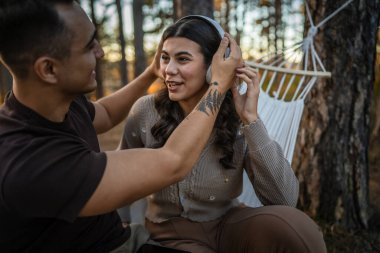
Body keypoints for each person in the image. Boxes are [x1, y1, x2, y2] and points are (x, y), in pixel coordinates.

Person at [0, 1, 243, 252]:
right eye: (88, 46)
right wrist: (217, 86)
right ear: (48, 69)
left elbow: (104, 113)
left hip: (116, 237)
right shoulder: (30, 164)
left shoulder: (52, 104)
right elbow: (174, 161)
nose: (101, 52)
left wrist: (151, 72)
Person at [119, 16, 327, 253]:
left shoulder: (238, 115)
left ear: (213, 67)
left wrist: (251, 120)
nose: (169, 70)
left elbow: (284, 200)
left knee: (298, 230)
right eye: (165, 58)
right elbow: (121, 177)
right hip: (169, 235)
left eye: (183, 59)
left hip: (228, 224)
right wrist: (124, 226)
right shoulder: (146, 111)